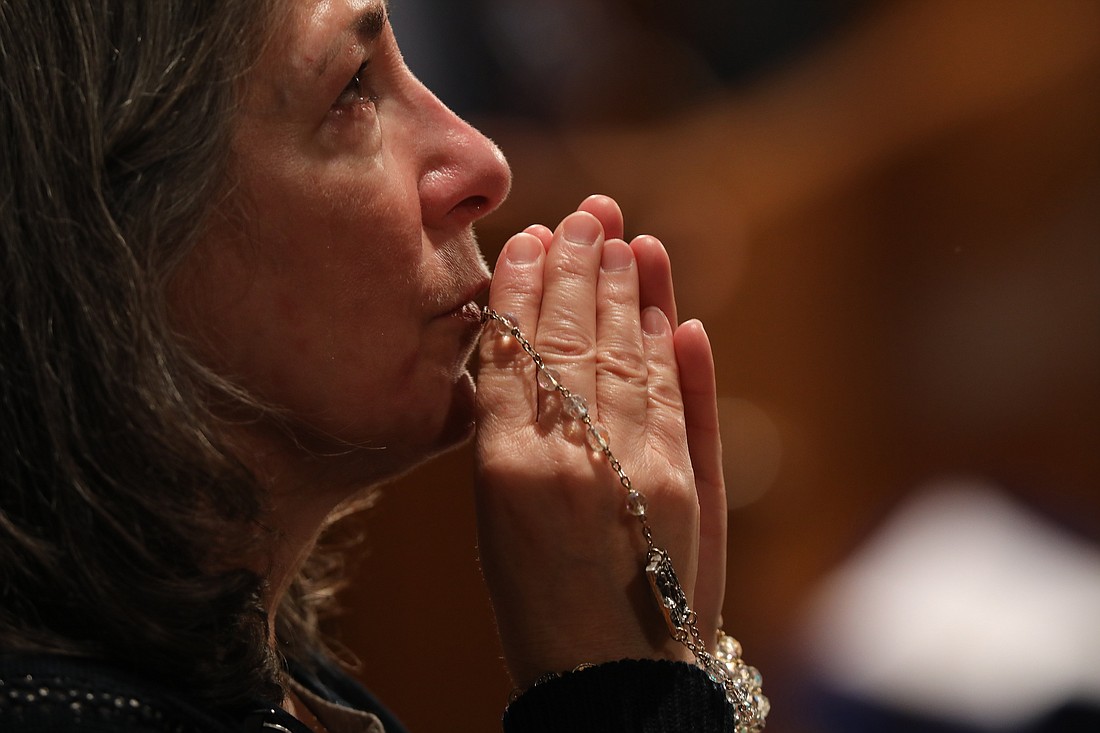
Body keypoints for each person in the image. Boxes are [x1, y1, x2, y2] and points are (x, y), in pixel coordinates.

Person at [0, 1, 758, 731]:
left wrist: (681, 656)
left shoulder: (246, 657)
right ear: (117, 241)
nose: (482, 163)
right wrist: (619, 686)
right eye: (353, 90)